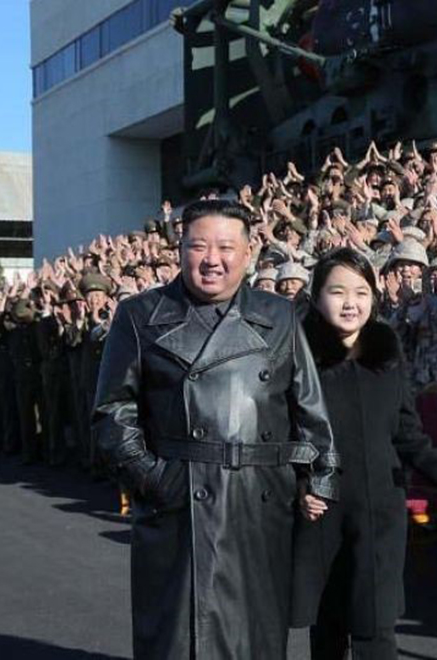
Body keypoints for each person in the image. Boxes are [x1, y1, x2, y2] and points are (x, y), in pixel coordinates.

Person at [92, 199, 340, 660]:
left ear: (248, 253)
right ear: (179, 249)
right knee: (178, 639)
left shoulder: (280, 315)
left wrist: (319, 478)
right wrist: (155, 480)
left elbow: (308, 406)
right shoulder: (139, 314)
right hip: (179, 503)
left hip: (260, 502)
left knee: (256, 640)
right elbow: (112, 414)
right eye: (199, 245)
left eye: (226, 246)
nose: (212, 259)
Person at [292, 248, 437, 659]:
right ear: (316, 298)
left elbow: (408, 435)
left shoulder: (388, 356)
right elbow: (282, 435)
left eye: (361, 292)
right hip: (321, 511)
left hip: (380, 511)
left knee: (376, 625)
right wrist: (299, 486)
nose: (350, 303)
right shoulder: (296, 360)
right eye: (337, 292)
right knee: (328, 626)